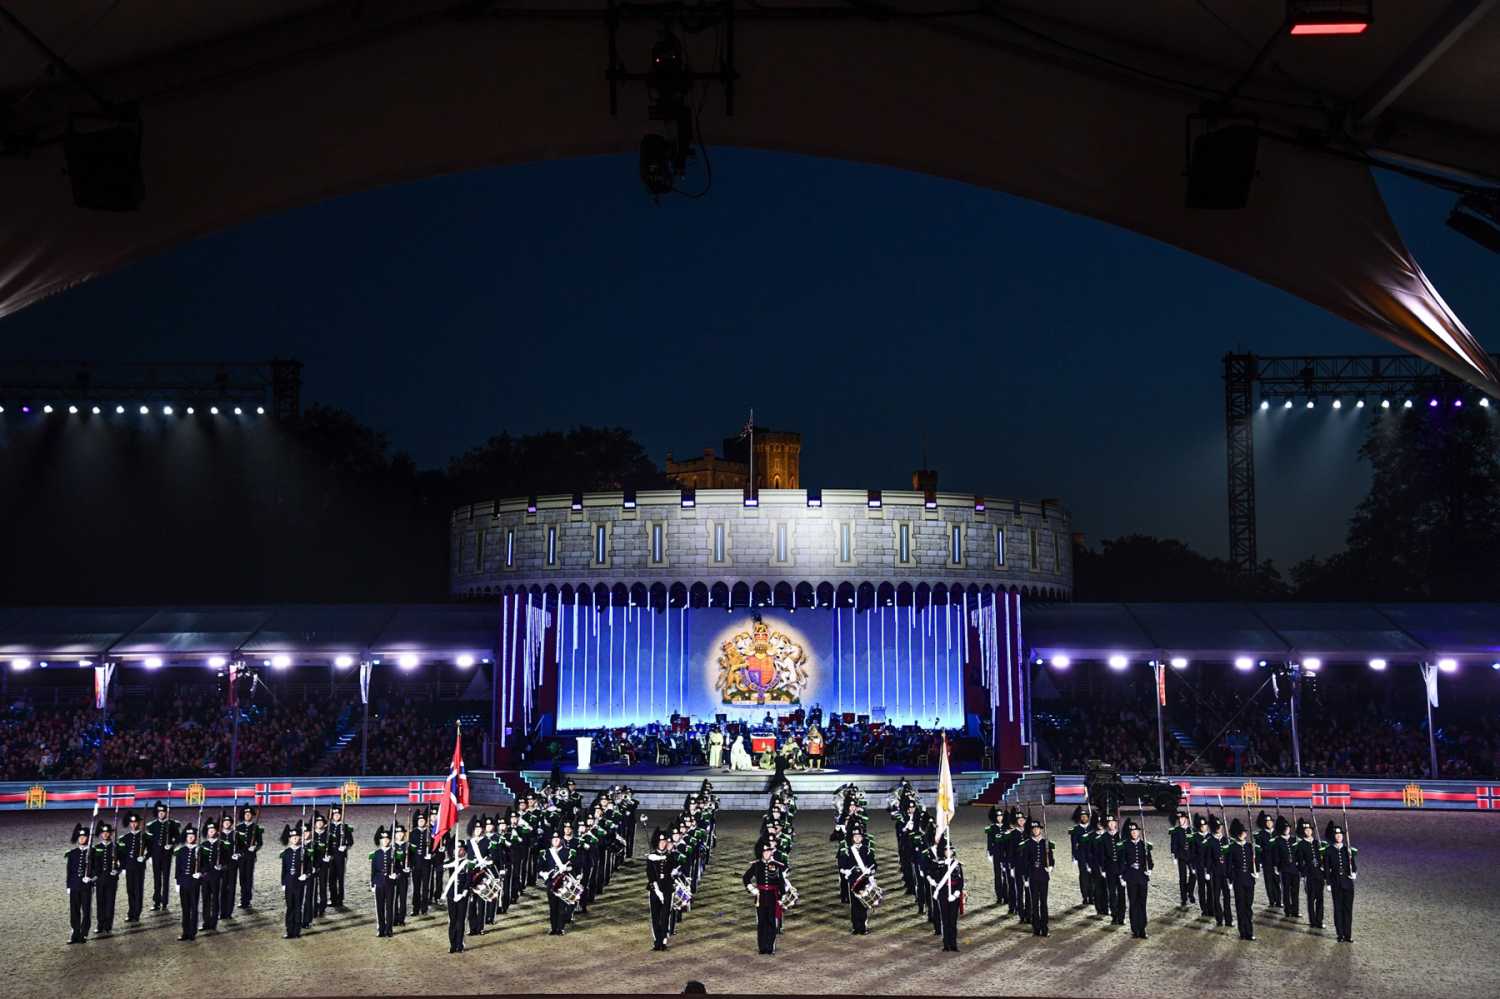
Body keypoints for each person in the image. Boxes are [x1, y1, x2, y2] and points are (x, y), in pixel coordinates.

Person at [742, 842, 790, 955]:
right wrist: (752, 889)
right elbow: (746, 877)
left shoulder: (777, 865)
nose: (766, 854)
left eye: (768, 851)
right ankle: (762, 947)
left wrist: (781, 897)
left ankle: (770, 947)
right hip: (761, 896)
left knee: (771, 922)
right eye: (765, 852)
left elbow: (781, 883)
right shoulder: (756, 865)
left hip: (773, 896)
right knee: (761, 922)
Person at [1322, 821, 1358, 943]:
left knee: (1348, 909)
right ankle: (1340, 934)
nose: (1339, 836)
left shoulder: (1348, 850)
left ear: (1343, 836)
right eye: (1336, 835)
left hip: (1348, 884)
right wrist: (1328, 883)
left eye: (1340, 835)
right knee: (1338, 909)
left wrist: (1354, 873)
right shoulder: (1328, 851)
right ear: (1334, 836)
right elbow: (1326, 868)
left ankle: (1348, 934)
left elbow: (1353, 865)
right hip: (1336, 883)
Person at [838, 827, 877, 934]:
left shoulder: (866, 849)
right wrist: (846, 871)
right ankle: (855, 927)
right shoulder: (848, 850)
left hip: (863, 879)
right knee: (854, 904)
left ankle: (863, 927)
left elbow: (873, 863)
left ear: (862, 838)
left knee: (863, 903)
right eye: (855, 837)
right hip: (853, 879)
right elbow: (842, 864)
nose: (857, 838)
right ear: (852, 838)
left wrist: (871, 870)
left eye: (859, 836)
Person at [537, 830, 576, 935]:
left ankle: (560, 928)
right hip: (551, 882)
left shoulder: (568, 852)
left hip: (563, 882)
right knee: (553, 906)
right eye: (554, 839)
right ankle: (553, 928)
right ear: (551, 841)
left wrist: (567, 868)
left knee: (562, 906)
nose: (555, 840)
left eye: (557, 839)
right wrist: (543, 873)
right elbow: (540, 867)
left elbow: (575, 866)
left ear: (561, 840)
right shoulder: (546, 853)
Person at [1120, 819, 1153, 939]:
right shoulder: (1125, 845)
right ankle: (1135, 929)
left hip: (1142, 879)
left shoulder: (1144, 845)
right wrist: (1123, 876)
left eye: (1136, 831)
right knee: (1133, 904)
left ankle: (1143, 928)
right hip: (1131, 879)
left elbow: (1150, 861)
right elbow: (1122, 862)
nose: (1134, 833)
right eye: (1132, 831)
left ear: (1139, 832)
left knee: (1142, 904)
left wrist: (1150, 869)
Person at [1021, 819, 1054, 937]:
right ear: (1032, 830)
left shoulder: (1046, 842)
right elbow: (1025, 862)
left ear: (1040, 829)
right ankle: (1036, 928)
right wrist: (1025, 878)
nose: (1036, 830)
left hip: (1044, 876)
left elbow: (1051, 858)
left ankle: (1045, 928)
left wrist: (1051, 866)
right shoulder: (1028, 843)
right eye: (1034, 829)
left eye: (1037, 828)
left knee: (1043, 903)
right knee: (1034, 903)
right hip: (1033, 877)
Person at [1226, 818, 1258, 941]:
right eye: (1242, 832)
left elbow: (1254, 862)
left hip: (1249, 880)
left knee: (1248, 907)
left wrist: (1256, 871)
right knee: (1240, 906)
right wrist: (1230, 880)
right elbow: (1229, 866)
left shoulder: (1250, 846)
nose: (1244, 834)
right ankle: (1243, 931)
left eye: (1245, 832)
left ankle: (1249, 931)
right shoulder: (1232, 847)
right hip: (1238, 880)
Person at [146, 800, 180, 913]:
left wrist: (171, 844)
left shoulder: (172, 824)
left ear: (166, 813)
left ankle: (164, 902)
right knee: (156, 879)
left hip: (167, 856)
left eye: (163, 812)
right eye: (159, 812)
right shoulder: (152, 826)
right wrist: (149, 856)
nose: (161, 814)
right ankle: (156, 902)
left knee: (165, 879)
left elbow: (178, 838)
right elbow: (149, 843)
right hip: (155, 856)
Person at [932, 840, 964, 952]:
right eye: (946, 850)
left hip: (953, 894)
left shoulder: (957, 864)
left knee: (953, 921)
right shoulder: (939, 864)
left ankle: (954, 944)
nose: (948, 852)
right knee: (945, 920)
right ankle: (946, 944)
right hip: (943, 894)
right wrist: (943, 867)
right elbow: (937, 879)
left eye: (950, 850)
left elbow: (961, 881)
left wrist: (956, 893)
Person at [1293, 818, 1326, 930]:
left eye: (1309, 829)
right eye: (1306, 830)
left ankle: (1319, 920)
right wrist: (1304, 873)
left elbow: (1324, 859)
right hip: (1310, 875)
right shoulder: (1301, 844)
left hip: (1319, 874)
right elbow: (1299, 861)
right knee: (1311, 899)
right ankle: (1313, 921)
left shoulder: (1318, 843)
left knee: (1320, 899)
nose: (1308, 831)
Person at [65, 822, 95, 944]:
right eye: (80, 837)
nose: (82, 839)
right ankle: (75, 933)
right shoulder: (72, 854)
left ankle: (84, 933)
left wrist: (91, 878)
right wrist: (68, 886)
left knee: (86, 910)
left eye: (84, 837)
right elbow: (69, 871)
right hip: (74, 886)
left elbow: (96, 869)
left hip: (86, 886)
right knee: (74, 910)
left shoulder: (93, 852)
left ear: (88, 838)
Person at [279, 822, 310, 939]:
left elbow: (309, 867)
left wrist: (306, 875)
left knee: (298, 907)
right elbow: (284, 869)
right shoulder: (286, 853)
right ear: (290, 839)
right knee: (289, 907)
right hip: (289, 884)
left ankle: (296, 931)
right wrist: (283, 883)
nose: (295, 839)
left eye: (297, 837)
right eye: (292, 837)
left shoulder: (304, 851)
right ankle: (289, 930)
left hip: (299, 884)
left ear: (300, 838)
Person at [647, 829, 676, 950]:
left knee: (665, 916)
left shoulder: (670, 856)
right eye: (661, 841)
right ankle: (656, 941)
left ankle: (663, 940)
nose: (663, 844)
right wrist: (658, 891)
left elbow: (674, 867)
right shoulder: (651, 857)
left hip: (667, 889)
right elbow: (650, 875)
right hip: (655, 889)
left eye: (664, 841)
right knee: (655, 916)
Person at [118, 811, 149, 923]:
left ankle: (137, 913)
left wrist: (145, 857)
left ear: (139, 823)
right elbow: (122, 854)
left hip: (139, 867)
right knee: (130, 890)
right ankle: (131, 912)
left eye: (135, 822)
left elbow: (150, 850)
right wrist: (123, 867)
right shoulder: (125, 838)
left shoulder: (145, 836)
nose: (134, 824)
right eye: (132, 823)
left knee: (138, 890)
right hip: (129, 867)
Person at [174, 823, 203, 941]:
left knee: (194, 908)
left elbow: (205, 866)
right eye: (188, 836)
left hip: (194, 882)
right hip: (184, 882)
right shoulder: (180, 851)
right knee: (185, 909)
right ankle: (185, 931)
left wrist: (201, 873)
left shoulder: (200, 850)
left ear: (195, 837)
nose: (190, 838)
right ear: (186, 837)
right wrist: (177, 882)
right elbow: (178, 867)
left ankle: (192, 932)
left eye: (193, 836)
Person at [92, 820, 122, 936]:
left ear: (110, 834)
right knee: (100, 902)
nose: (105, 834)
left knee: (110, 902)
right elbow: (93, 864)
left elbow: (122, 862)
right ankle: (100, 925)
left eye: (107, 833)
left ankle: (108, 925)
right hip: (100, 879)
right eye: (103, 833)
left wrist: (117, 870)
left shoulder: (116, 847)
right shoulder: (96, 847)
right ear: (101, 834)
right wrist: (94, 876)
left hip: (111, 879)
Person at [443, 840, 472, 953]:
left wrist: (464, 892)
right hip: (451, 894)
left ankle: (459, 944)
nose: (458, 851)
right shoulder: (451, 861)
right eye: (456, 849)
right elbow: (438, 868)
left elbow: (469, 879)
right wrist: (446, 864)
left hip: (462, 895)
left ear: (464, 851)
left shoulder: (468, 863)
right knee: (452, 920)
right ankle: (452, 944)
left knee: (461, 921)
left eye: (461, 849)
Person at [1205, 814, 1233, 928]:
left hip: (1226, 873)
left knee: (1227, 897)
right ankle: (1219, 918)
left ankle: (1229, 919)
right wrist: (1207, 871)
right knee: (1216, 897)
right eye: (1217, 826)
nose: (1219, 828)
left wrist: (1231, 874)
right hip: (1215, 873)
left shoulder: (1226, 840)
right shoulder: (1209, 841)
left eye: (1220, 826)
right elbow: (1208, 858)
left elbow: (1230, 858)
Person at [371, 825, 397, 938]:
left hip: (390, 883)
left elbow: (399, 868)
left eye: (387, 839)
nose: (385, 841)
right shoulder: (376, 854)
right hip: (379, 882)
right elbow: (373, 870)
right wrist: (372, 883)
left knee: (389, 907)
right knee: (379, 907)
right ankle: (381, 928)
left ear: (390, 840)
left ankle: (389, 929)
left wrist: (397, 875)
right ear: (380, 840)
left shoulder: (394, 853)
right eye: (383, 839)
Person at [235, 805, 263, 910]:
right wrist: (237, 852)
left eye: (249, 814)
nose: (247, 815)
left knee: (248, 878)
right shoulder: (238, 827)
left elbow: (260, 843)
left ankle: (248, 900)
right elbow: (236, 843)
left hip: (250, 856)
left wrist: (255, 847)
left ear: (252, 815)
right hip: (241, 856)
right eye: (246, 814)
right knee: (242, 878)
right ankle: (243, 900)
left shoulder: (256, 828)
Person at [1253, 810, 1281, 910]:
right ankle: (1272, 900)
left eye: (1270, 822)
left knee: (1277, 881)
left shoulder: (1277, 833)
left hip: (1277, 861)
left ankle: (1279, 900)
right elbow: (1258, 850)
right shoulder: (1260, 835)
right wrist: (1258, 863)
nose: (1269, 823)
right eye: (1267, 822)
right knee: (1269, 882)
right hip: (1267, 861)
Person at [328, 805, 353, 909]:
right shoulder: (329, 826)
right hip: (330, 854)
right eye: (335, 814)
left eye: (338, 814)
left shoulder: (345, 827)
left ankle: (340, 899)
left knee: (340, 877)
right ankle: (333, 899)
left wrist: (345, 846)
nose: (336, 816)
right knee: (331, 878)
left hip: (340, 855)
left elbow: (351, 841)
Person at [200, 819, 224, 933]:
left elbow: (227, 861)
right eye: (209, 830)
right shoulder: (203, 845)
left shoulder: (222, 844)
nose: (211, 832)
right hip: (205, 877)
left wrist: (222, 866)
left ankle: (213, 922)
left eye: (213, 830)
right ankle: (206, 922)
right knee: (205, 899)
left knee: (215, 900)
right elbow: (199, 862)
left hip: (215, 876)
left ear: (216, 831)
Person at [1274, 816, 1299, 919]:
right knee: (1286, 891)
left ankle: (1295, 910)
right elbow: (1276, 856)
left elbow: (1298, 854)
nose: (1287, 829)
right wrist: (1276, 867)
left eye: (1288, 827)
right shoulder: (1278, 841)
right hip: (1284, 869)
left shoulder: (1294, 839)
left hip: (1295, 869)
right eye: (1285, 828)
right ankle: (1287, 910)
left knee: (1295, 891)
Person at [1168, 810, 1194, 909]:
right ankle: (1184, 898)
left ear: (1186, 818)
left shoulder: (1191, 830)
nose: (1180, 820)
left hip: (1191, 856)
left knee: (1193, 875)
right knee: (1182, 877)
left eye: (1182, 818)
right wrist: (1173, 855)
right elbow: (1173, 844)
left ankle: (1189, 891)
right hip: (1181, 856)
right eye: (1179, 818)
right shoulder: (1176, 830)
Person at [1067, 805, 1092, 908]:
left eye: (1085, 816)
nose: (1084, 818)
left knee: (1092, 877)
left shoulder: (1092, 828)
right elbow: (1073, 844)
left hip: (1092, 856)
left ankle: (1092, 896)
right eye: (1082, 817)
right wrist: (1074, 857)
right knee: (1083, 876)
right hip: (1081, 856)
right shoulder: (1076, 829)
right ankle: (1085, 896)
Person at [411, 809, 434, 917]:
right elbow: (409, 850)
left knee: (425, 887)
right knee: (416, 887)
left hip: (426, 864)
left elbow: (434, 848)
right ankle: (415, 908)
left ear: (425, 821)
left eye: (423, 820)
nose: (421, 821)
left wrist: (431, 855)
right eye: (419, 820)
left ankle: (424, 908)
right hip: (416, 864)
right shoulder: (413, 833)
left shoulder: (430, 832)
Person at [216, 813, 238, 921]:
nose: (227, 823)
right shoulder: (218, 835)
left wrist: (238, 854)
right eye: (225, 822)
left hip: (232, 866)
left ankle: (229, 912)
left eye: (229, 822)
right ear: (222, 824)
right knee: (222, 889)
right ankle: (221, 911)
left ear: (231, 824)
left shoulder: (235, 835)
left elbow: (242, 849)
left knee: (231, 889)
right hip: (222, 867)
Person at [1190, 813, 1213, 919]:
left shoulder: (1211, 837)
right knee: (1202, 889)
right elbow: (1192, 854)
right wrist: (1193, 867)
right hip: (1200, 866)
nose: (1204, 827)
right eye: (1202, 826)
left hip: (1210, 867)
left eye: (1205, 825)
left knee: (1211, 888)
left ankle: (1211, 907)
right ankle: (1204, 908)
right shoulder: (1195, 838)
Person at [392, 823, 412, 927]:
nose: (399, 835)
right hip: (394, 876)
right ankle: (394, 918)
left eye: (401, 833)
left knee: (403, 899)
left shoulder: (407, 846)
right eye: (397, 833)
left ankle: (401, 919)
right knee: (394, 898)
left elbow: (412, 859)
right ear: (395, 834)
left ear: (404, 834)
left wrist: (409, 867)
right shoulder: (391, 846)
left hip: (404, 876)